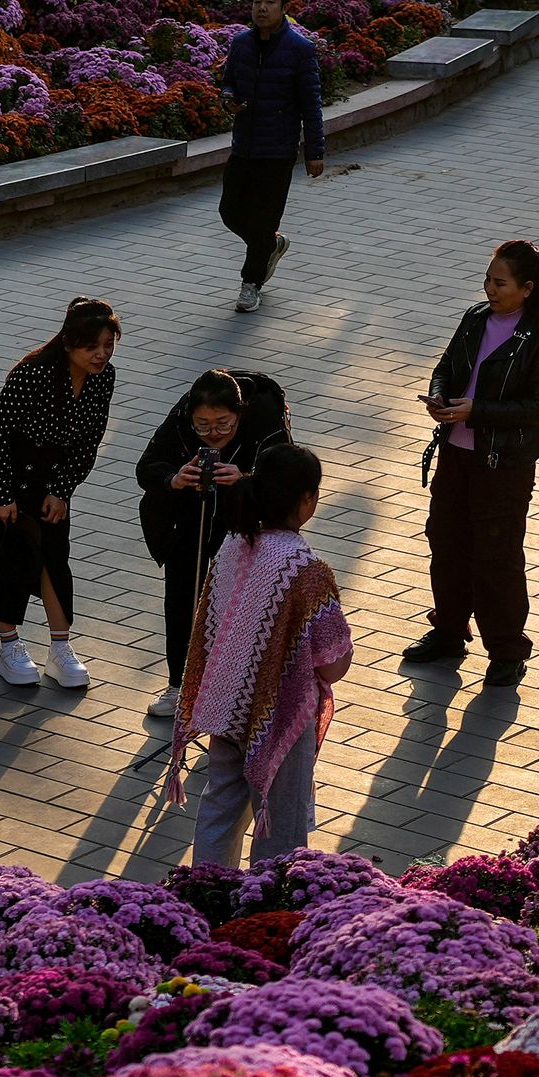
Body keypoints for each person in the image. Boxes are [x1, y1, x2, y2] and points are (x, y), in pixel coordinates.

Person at [167, 442, 350, 870]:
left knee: (221, 806)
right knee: (279, 824)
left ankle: (207, 889)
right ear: (308, 500)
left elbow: (210, 623)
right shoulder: (307, 569)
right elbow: (331, 661)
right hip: (280, 712)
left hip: (224, 702)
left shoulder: (233, 546)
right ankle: (268, 905)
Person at [410, 240, 539, 688]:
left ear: (527, 288)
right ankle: (448, 631)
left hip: (503, 465)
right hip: (456, 454)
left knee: (495, 556)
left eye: (500, 283)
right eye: (487, 280)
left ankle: (506, 650)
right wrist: (440, 396)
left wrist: (474, 411)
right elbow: (445, 366)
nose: (490, 290)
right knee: (446, 542)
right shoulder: (475, 319)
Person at [0, 297, 119, 691]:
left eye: (109, 344)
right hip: (3, 471)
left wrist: (62, 489)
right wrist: (1, 496)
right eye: (93, 346)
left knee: (53, 558)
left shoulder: (103, 377)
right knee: (3, 558)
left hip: (48, 476)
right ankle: (10, 647)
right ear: (70, 342)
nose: (101, 355)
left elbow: (90, 439)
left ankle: (60, 647)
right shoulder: (32, 374)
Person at [133, 365, 292, 702]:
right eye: (202, 425)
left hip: (241, 522)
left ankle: (234, 687)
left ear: (240, 414)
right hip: (186, 519)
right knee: (181, 599)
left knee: (236, 603)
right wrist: (174, 479)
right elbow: (147, 465)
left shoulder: (264, 418)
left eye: (224, 424)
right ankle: (178, 685)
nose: (213, 433)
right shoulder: (181, 416)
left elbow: (288, 478)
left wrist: (248, 479)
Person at [215, 0, 328, 313]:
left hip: (277, 152)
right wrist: (229, 100)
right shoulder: (241, 44)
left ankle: (251, 285)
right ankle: (271, 244)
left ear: (284, 7)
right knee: (229, 211)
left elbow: (312, 104)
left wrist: (315, 152)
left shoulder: (300, 50)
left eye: (269, 2)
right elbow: (228, 84)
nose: (261, 8)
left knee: (263, 220)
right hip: (243, 146)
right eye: (257, 1)